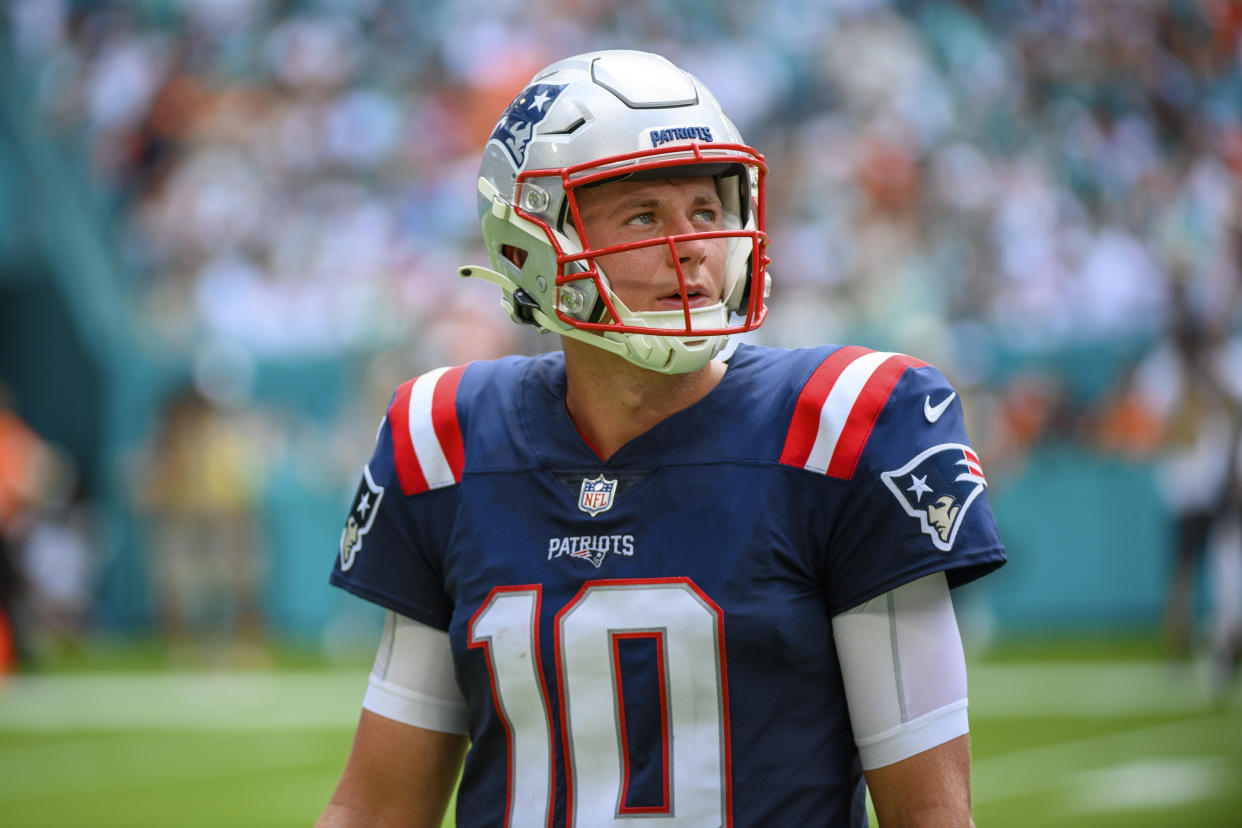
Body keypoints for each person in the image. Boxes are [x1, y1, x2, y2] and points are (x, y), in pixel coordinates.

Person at [319, 50, 1006, 828]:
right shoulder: (442, 438)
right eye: (645, 215)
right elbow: (378, 806)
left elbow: (933, 818)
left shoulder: (846, 427)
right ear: (528, 245)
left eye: (708, 211)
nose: (694, 247)